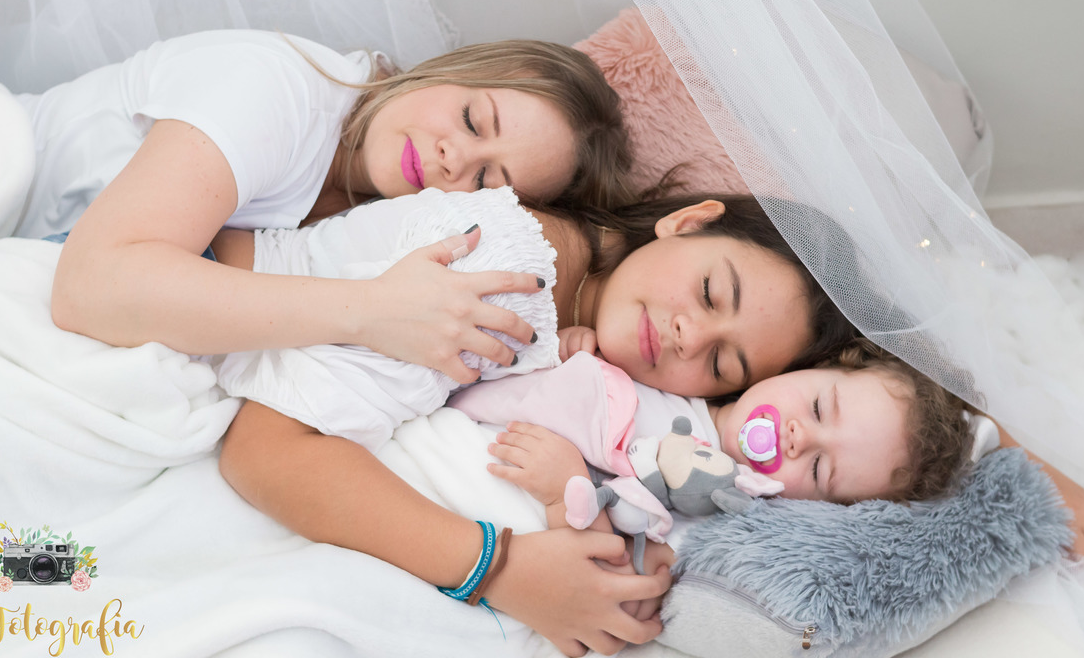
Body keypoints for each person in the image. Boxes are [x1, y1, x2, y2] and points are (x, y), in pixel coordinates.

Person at [218, 190, 860, 656]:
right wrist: (502, 569)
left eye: (721, 362)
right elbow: (263, 452)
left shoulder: (592, 335)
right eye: (711, 294)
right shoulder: (502, 280)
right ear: (689, 223)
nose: (689, 336)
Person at [22, 30, 633, 380]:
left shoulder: (384, 214)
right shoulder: (274, 92)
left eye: (484, 181)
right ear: (454, 68)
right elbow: (89, 286)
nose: (454, 158)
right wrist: (369, 310)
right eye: (473, 119)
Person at [452, 341, 971, 551]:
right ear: (815, 365)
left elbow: (607, 564)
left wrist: (561, 491)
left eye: (818, 469)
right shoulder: (666, 365)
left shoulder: (710, 515)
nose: (800, 437)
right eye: (817, 408)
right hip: (454, 423)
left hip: (486, 521)